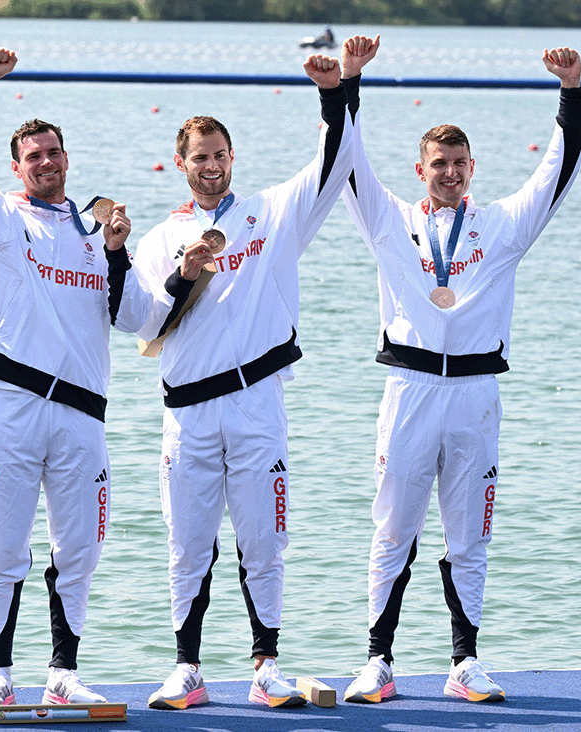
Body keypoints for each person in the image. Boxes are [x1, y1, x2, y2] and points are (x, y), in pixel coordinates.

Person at [338, 35, 581, 703]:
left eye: (459, 163)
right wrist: (349, 82)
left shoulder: (503, 226)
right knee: (392, 528)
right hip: (410, 388)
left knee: (470, 531)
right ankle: (377, 661)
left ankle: (463, 661)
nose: (449, 173)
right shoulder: (389, 222)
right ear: (419, 171)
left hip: (475, 392)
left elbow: (555, 174)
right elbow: (348, 162)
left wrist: (569, 92)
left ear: (472, 167)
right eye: (438, 164)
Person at [133, 52, 354, 710]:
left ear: (233, 157)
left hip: (259, 403)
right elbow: (139, 323)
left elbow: (334, 162)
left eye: (219, 153)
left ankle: (265, 666)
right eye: (199, 156)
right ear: (182, 164)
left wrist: (331, 95)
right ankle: (187, 670)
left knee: (263, 539)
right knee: (186, 545)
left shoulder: (271, 213)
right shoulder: (160, 237)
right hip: (189, 412)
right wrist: (183, 273)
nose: (211, 165)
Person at [0, 47, 152, 715]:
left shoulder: (98, 230)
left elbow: (137, 318)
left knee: (79, 549)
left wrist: (122, 254)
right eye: (33, 155)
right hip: (13, 404)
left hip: (83, 417)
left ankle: (62, 673)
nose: (45, 162)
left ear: (67, 158)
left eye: (53, 152)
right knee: (2, 549)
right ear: (17, 166)